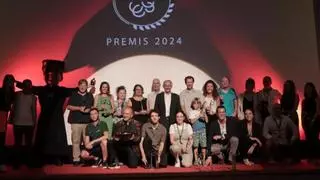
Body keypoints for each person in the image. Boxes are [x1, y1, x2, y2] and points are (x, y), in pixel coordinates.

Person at [16, 60, 93, 166]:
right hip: (45, 119)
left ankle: (57, 158)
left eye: (53, 76)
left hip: (56, 120)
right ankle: (41, 159)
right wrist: (15, 82)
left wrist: (88, 87)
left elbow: (75, 90)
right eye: (49, 76)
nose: (50, 78)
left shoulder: (61, 90)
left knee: (57, 139)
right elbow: (28, 87)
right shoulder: (42, 90)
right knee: (43, 139)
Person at [9, 79, 36, 169]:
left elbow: (33, 111)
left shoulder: (32, 97)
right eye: (27, 85)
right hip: (20, 123)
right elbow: (13, 107)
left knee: (25, 144)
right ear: (23, 86)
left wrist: (34, 122)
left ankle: (24, 163)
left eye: (29, 85)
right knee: (19, 144)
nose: (28, 87)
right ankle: (19, 163)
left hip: (25, 123)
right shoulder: (19, 95)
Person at [67, 79, 94, 166]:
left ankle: (86, 159)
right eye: (81, 85)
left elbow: (92, 106)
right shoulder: (73, 95)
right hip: (76, 122)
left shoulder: (90, 95)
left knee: (87, 142)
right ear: (78, 86)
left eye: (84, 85)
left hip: (87, 121)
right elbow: (68, 106)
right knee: (76, 141)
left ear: (87, 86)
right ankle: (76, 159)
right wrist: (79, 108)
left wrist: (89, 110)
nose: (82, 87)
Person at [302, 82, 320, 164]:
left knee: (314, 139)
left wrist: (313, 120)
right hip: (307, 120)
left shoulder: (316, 98)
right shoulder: (304, 100)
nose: (308, 89)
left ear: (313, 89)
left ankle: (316, 157)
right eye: (307, 88)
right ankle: (310, 158)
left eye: (310, 88)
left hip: (315, 120)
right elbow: (303, 112)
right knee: (308, 139)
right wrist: (303, 122)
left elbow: (317, 111)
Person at [0, 74, 15, 172]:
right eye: (8, 80)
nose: (10, 82)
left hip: (3, 116)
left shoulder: (11, 93)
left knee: (1, 140)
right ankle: (1, 163)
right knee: (1, 140)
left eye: (11, 81)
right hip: (1, 115)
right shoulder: (1, 92)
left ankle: (1, 163)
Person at [188, 98, 207, 166]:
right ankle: (196, 160)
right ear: (192, 105)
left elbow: (207, 121)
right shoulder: (191, 112)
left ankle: (204, 160)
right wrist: (198, 116)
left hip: (203, 130)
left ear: (200, 104)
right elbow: (192, 121)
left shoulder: (202, 111)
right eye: (194, 103)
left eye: (198, 103)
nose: (196, 105)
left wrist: (204, 114)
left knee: (203, 146)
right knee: (195, 147)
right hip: (195, 131)